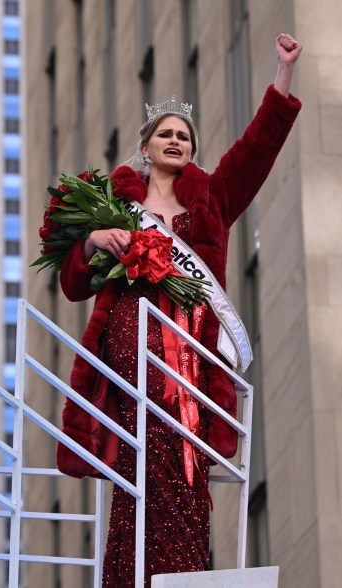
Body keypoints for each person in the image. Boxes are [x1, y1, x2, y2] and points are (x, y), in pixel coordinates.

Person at [56, 34, 302, 587]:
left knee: (183, 466)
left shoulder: (211, 198)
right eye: (165, 133)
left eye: (184, 137)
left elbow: (258, 148)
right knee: (141, 455)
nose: (175, 140)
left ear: (191, 151)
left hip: (191, 353)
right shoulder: (116, 205)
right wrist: (97, 238)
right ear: (146, 147)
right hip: (131, 337)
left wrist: (283, 74)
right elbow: (73, 280)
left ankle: (175, 572)